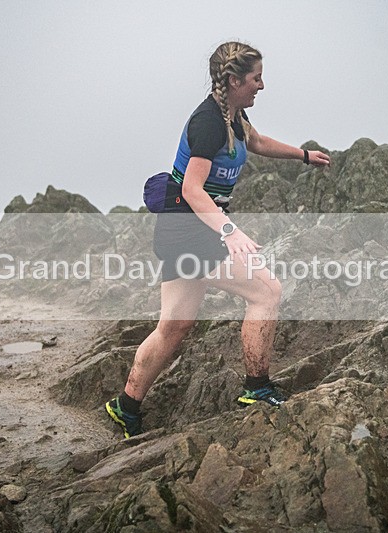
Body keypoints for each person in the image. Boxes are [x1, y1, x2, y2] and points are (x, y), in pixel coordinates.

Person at [105, 41, 331, 438]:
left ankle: (126, 406)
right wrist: (231, 231)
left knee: (174, 326)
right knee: (267, 292)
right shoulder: (208, 123)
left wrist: (303, 155)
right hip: (189, 229)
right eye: (256, 78)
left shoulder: (232, 113)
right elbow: (193, 189)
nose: (262, 85)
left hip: (184, 229)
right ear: (233, 80)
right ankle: (257, 388)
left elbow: (256, 143)